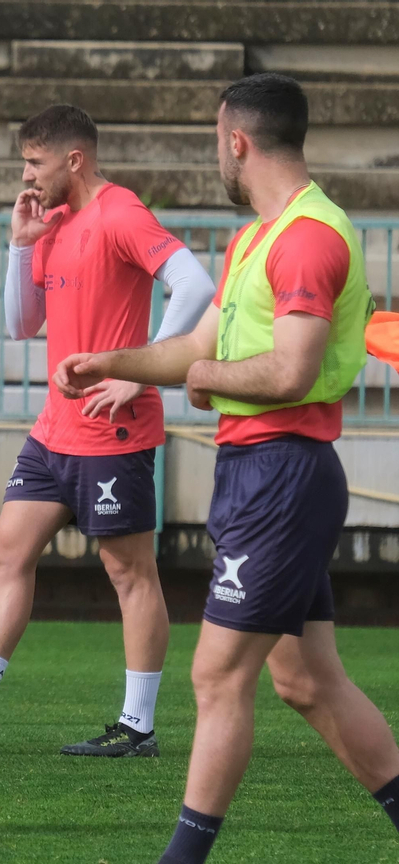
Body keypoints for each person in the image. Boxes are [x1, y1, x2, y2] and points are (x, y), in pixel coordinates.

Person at [53, 73, 399, 863]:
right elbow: (195, 347)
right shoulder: (257, 238)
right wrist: (122, 360)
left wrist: (203, 382)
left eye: (218, 140)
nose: (219, 154)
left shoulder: (308, 236)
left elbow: (291, 370)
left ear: (237, 142)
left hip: (282, 476)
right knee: (307, 682)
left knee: (215, 677)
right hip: (261, 475)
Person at [0, 104, 215, 756]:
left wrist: (141, 371)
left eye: (35, 163)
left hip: (113, 429)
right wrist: (20, 244)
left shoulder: (120, 214)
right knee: (8, 551)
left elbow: (195, 284)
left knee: (129, 573)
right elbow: (19, 324)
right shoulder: (54, 221)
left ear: (75, 159)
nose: (27, 176)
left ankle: (139, 726)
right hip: (56, 428)